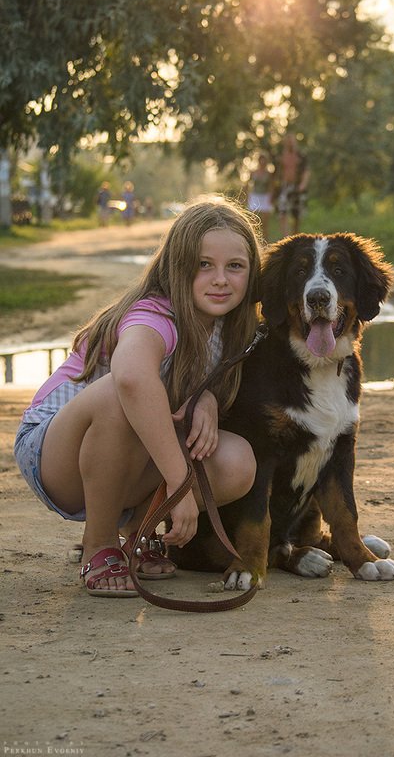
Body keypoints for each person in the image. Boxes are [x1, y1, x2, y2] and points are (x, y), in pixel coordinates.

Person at [14, 196, 262, 598]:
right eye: (204, 265)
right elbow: (130, 379)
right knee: (119, 393)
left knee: (237, 460)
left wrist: (209, 399)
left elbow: (184, 400)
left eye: (235, 266)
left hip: (125, 460)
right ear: (176, 267)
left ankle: (137, 535)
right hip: (52, 454)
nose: (221, 279)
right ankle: (99, 544)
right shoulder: (155, 315)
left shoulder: (230, 331)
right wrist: (180, 486)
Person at [275, 134, 310, 237]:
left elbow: (306, 171)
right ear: (285, 143)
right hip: (285, 187)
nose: (290, 143)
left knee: (297, 215)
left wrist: (303, 184)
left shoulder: (301, 156)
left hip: (297, 187)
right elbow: (277, 173)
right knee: (282, 212)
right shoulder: (281, 156)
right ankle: (286, 237)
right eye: (288, 141)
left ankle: (296, 236)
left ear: (295, 142)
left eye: (292, 141)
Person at [245, 153, 275, 242]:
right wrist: (247, 196)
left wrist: (270, 197)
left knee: (264, 223)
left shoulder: (269, 174)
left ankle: (265, 242)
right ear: (258, 161)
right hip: (254, 196)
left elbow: (271, 186)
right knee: (253, 221)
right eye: (261, 160)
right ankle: (253, 241)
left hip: (265, 197)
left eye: (264, 160)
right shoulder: (253, 172)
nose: (262, 162)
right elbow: (247, 185)